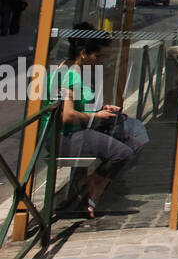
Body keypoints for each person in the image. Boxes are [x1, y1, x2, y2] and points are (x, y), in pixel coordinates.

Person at [50, 33, 142, 219]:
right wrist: (96, 115)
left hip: (74, 133)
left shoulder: (68, 68)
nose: (99, 62)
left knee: (133, 143)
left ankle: (88, 186)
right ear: (83, 53)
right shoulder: (71, 75)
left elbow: (75, 107)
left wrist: (102, 110)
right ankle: (91, 187)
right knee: (123, 152)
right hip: (63, 137)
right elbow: (67, 115)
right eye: (97, 57)